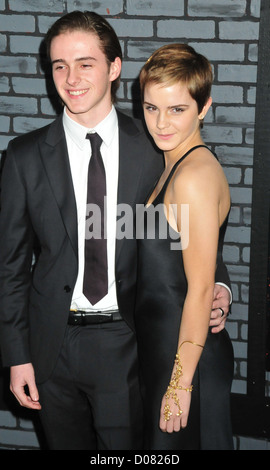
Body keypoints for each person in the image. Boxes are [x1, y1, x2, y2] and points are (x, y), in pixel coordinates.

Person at [0, 12, 231, 450]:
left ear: (114, 67)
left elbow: (194, 232)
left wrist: (218, 285)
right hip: (49, 346)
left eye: (85, 63)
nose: (71, 78)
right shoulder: (23, 156)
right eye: (59, 65)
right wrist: (17, 356)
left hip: (126, 345)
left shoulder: (156, 146)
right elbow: (8, 265)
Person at [135, 43, 234, 450]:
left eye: (176, 109)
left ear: (203, 107)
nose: (161, 123)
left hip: (186, 358)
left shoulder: (193, 175)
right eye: (151, 107)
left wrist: (180, 384)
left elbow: (198, 287)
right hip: (166, 349)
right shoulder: (174, 161)